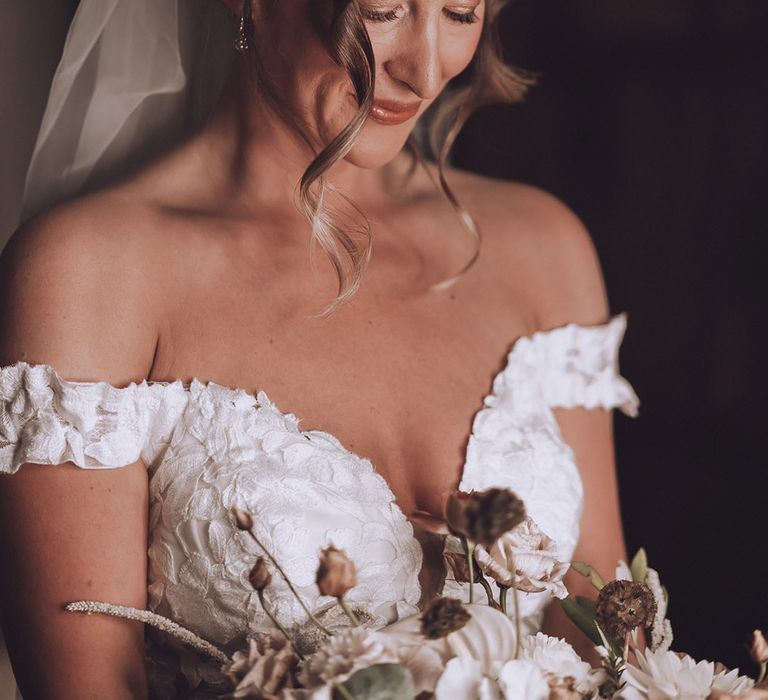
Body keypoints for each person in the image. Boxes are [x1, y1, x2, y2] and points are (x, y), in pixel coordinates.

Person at [0, 0, 639, 697]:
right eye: (382, 9)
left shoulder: (545, 251)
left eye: (461, 12)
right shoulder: (91, 274)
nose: (425, 71)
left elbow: (608, 633)